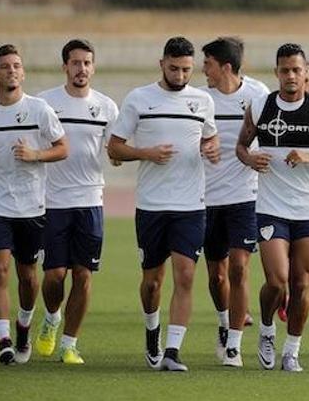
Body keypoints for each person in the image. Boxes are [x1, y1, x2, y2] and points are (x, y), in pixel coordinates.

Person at [107, 37, 219, 371]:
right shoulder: (139, 99)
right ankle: (152, 328)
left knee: (185, 275)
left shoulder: (202, 101)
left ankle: (172, 351)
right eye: (174, 68)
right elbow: (114, 148)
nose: (181, 75)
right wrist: (146, 153)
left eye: (186, 69)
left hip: (191, 204)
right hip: (152, 205)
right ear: (161, 64)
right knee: (152, 281)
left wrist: (210, 148)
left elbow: (209, 137)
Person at [235, 43, 309, 373]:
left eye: (296, 70)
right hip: (271, 208)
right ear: (277, 73)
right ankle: (268, 331)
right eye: (284, 70)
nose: (290, 76)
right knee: (278, 280)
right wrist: (249, 158)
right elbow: (241, 145)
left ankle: (292, 350)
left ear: (305, 73)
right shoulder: (261, 107)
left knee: (301, 284)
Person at [0, 44, 68, 364]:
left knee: (28, 277)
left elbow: (62, 148)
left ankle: (24, 325)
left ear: (23, 72)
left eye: (16, 65)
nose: (11, 70)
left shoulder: (39, 109)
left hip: (32, 208)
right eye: (5, 66)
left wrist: (36, 155)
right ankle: (3, 341)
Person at [32, 39, 118, 365]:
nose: (81, 69)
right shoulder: (44, 103)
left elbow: (115, 147)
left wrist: (121, 155)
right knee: (54, 276)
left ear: (93, 67)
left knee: (83, 274)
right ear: (65, 67)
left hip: (90, 200)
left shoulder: (107, 107)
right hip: (52, 201)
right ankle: (52, 317)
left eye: (87, 63)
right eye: (75, 63)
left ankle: (69, 343)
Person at [199, 37, 268, 367]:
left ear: (225, 66)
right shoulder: (200, 99)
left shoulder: (258, 95)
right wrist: (202, 146)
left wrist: (256, 156)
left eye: (208, 63)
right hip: (206, 197)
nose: (203, 70)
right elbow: (187, 137)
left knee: (240, 267)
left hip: (245, 196)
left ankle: (235, 346)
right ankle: (225, 323)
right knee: (217, 276)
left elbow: (271, 136)